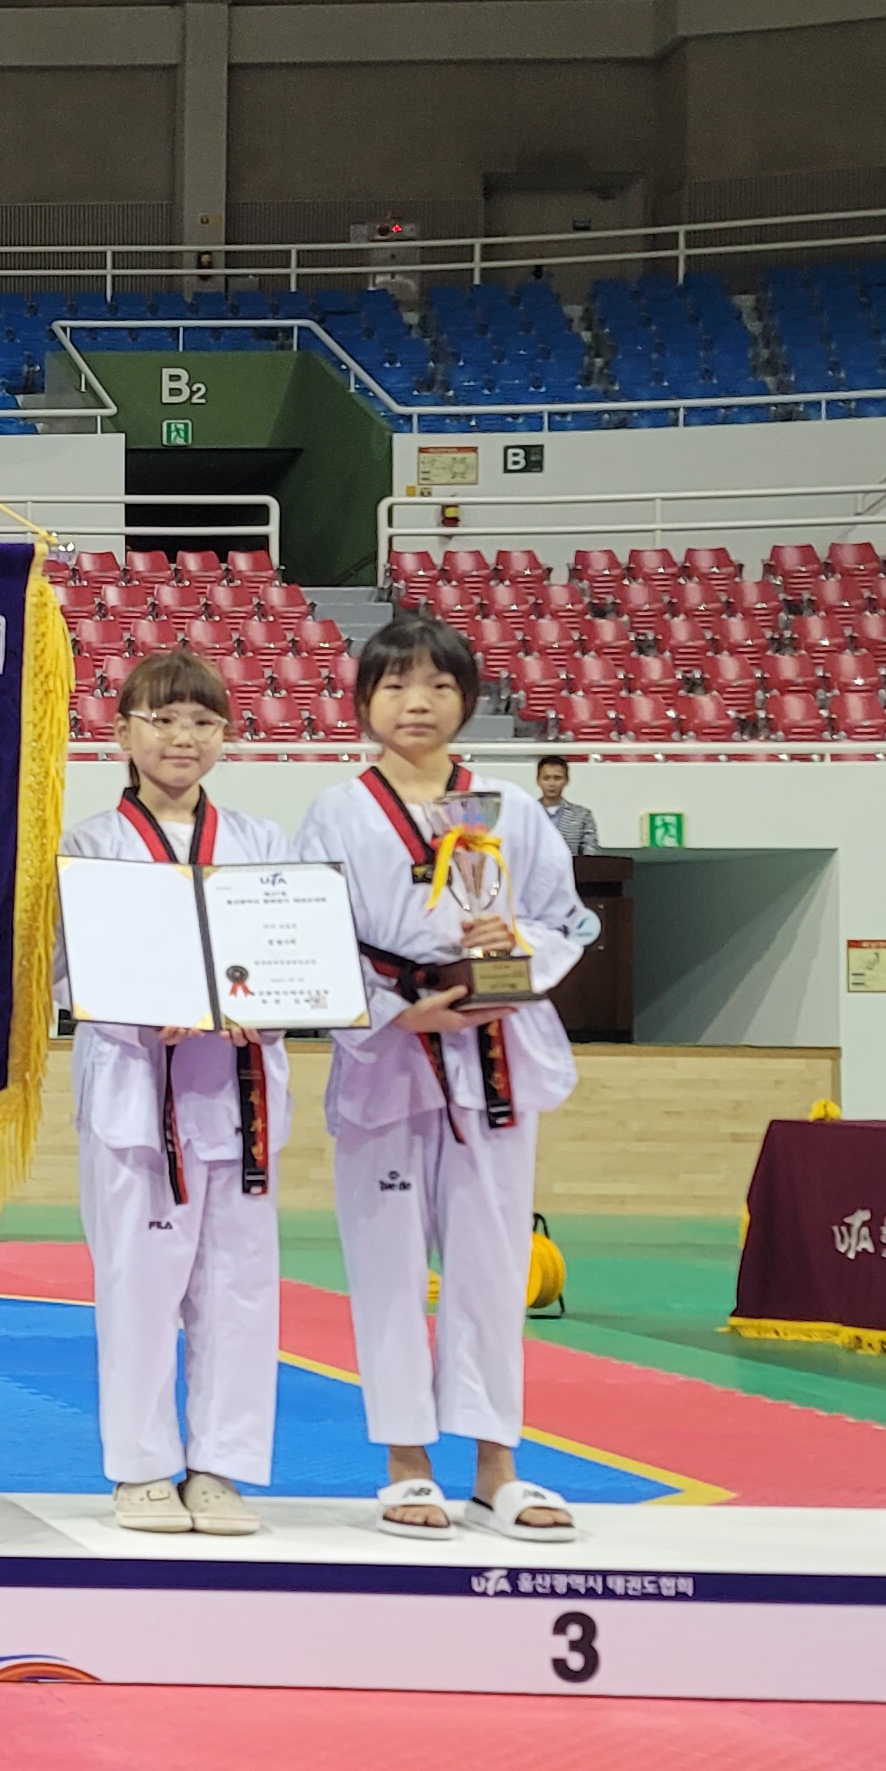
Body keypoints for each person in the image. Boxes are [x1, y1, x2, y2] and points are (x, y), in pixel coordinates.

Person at [297, 614, 587, 1544]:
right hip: (389, 1046)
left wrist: (510, 951)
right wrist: (396, 1012)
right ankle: (405, 1464)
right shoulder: (338, 811)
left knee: (494, 1266)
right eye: (394, 686)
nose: (415, 703)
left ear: (467, 700)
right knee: (385, 1264)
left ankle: (497, 1467)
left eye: (437, 686)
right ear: (363, 702)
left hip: (493, 1046)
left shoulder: (512, 807)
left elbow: (565, 922)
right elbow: (312, 936)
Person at [60, 650, 285, 1535]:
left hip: (239, 1092)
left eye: (202, 721)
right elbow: (69, 968)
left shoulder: (263, 842)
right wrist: (149, 1004)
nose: (182, 737)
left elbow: (292, 954)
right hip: (135, 1092)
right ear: (122, 732)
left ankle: (222, 1468)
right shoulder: (91, 844)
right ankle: (143, 1470)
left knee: (239, 1290)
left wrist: (264, 1004)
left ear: (226, 735)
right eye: (162, 719)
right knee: (140, 1289)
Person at [533, 754, 599, 857]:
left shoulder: (582, 815)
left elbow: (590, 855)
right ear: (538, 780)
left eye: (557, 778)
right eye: (546, 778)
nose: (551, 783)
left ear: (566, 780)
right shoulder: (526, 814)